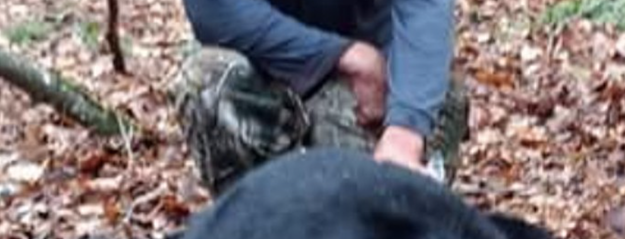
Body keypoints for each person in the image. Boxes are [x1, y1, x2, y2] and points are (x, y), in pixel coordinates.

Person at [174, 0, 468, 193]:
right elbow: (214, 9)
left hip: (372, 83)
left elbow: (425, 10)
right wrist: (343, 56)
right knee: (209, 78)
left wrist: (405, 132)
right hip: (266, 64)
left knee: (437, 97)